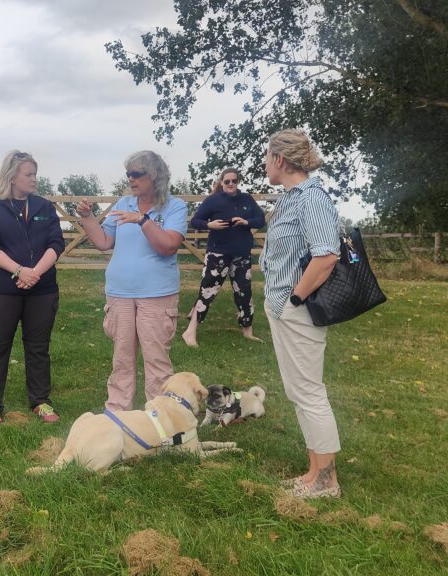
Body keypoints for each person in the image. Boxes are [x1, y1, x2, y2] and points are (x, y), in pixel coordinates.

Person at [258, 129, 342, 499]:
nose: (264, 164)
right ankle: (314, 472)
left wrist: (294, 299)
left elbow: (326, 256)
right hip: (283, 308)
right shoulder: (292, 198)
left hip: (298, 311)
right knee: (299, 391)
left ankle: (326, 481)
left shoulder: (312, 198)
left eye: (266, 157)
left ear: (280, 159)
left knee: (309, 391)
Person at [76, 151, 187, 411]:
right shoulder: (123, 203)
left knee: (156, 361)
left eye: (137, 174)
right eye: (128, 174)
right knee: (122, 360)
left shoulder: (175, 206)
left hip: (157, 295)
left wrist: (143, 221)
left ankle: (160, 418)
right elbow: (104, 242)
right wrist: (88, 218)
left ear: (155, 176)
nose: (131, 179)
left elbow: (168, 246)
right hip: (120, 294)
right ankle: (117, 414)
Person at [0, 151, 64, 426]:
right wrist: (18, 270)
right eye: (29, 175)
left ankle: (40, 400)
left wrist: (35, 273)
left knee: (38, 347)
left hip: (42, 288)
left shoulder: (44, 207)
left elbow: (56, 243)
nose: (34, 180)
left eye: (35, 174)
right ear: (12, 177)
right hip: (2, 289)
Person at [182, 167, 267, 347]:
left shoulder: (246, 200)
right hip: (217, 254)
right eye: (227, 181)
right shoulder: (213, 200)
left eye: (234, 181)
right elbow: (195, 221)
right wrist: (209, 224)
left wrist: (246, 222)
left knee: (244, 293)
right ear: (221, 182)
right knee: (207, 292)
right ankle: (190, 332)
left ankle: (247, 331)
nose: (230, 184)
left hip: (242, 255)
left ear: (238, 182)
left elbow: (260, 220)